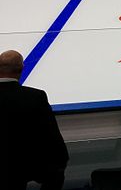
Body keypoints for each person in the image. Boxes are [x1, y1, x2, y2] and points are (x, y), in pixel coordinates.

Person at [0, 50, 69, 190]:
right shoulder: (35, 96)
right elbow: (52, 135)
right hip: (26, 165)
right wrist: (61, 162)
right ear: (22, 69)